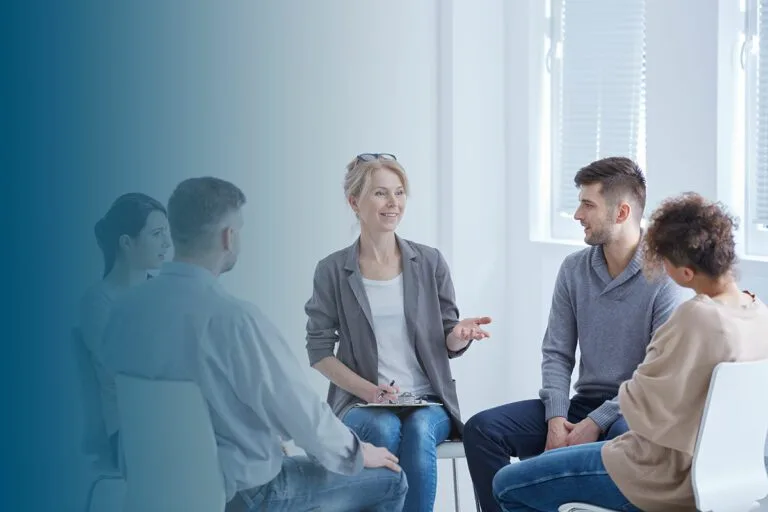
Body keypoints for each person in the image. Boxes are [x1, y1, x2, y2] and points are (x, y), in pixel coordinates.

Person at [102, 177, 408, 512]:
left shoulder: (124, 312)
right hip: (244, 497)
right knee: (391, 480)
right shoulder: (232, 319)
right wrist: (358, 452)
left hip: (155, 493)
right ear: (227, 237)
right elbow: (302, 415)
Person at [492, 192, 768, 512]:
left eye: (664, 260)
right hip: (727, 476)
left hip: (657, 476)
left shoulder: (698, 317)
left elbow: (637, 403)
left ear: (686, 273)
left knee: (508, 483)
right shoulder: (758, 312)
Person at [463, 157, 682, 512]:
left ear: (622, 212)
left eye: (587, 204)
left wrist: (595, 422)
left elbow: (655, 376)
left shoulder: (665, 278)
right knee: (482, 430)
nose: (578, 214)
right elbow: (557, 353)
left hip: (633, 412)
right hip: (580, 405)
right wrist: (556, 417)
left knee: (624, 441)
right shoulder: (574, 269)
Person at [305, 153, 492, 512]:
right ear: (354, 202)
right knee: (384, 430)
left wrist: (460, 334)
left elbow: (447, 341)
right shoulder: (331, 270)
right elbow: (319, 352)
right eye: (380, 193)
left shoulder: (430, 261)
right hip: (361, 401)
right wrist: (371, 391)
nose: (394, 203)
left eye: (400, 192)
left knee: (421, 430)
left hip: (427, 399)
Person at [79, 192, 171, 465]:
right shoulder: (98, 302)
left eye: (167, 233)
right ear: (127, 243)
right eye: (157, 234)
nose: (167, 243)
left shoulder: (165, 293)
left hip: (176, 417)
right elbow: (135, 370)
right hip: (133, 433)